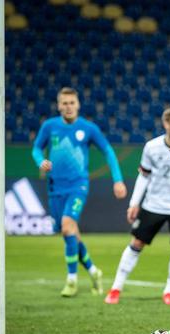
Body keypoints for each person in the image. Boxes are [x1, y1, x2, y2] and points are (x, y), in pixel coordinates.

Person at [103, 106, 170, 305]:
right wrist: (134, 203)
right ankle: (116, 288)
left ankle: (169, 291)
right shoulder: (152, 147)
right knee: (136, 244)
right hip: (153, 204)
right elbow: (144, 176)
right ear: (167, 124)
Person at [31, 87, 127, 297]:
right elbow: (36, 148)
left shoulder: (88, 128)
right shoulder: (50, 126)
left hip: (78, 186)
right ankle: (94, 271)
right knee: (70, 233)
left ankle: (72, 280)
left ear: (78, 105)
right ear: (58, 105)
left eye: (71, 103)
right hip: (55, 187)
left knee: (67, 227)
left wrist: (117, 180)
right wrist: (41, 161)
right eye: (64, 103)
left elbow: (108, 151)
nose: (68, 107)